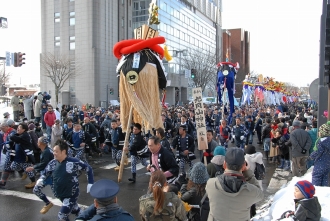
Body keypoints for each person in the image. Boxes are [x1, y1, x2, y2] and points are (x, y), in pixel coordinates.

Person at [35, 139, 94, 220]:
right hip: (60, 194)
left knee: (62, 216)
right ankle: (86, 217)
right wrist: (41, 179)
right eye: (53, 151)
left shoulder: (73, 162)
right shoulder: (53, 163)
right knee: (75, 210)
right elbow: (45, 173)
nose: (53, 153)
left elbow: (88, 168)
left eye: (56, 151)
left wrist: (90, 182)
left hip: (71, 195)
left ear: (63, 152)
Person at [206, 147, 264, 221]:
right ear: (243, 166)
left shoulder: (211, 184)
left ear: (224, 164)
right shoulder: (250, 191)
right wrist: (248, 173)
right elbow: (260, 194)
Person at [7, 123, 37, 189]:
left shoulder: (25, 135)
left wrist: (12, 135)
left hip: (25, 157)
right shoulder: (20, 134)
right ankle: (24, 172)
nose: (17, 128)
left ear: (24, 129)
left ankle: (33, 182)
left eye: (19, 127)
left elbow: (14, 138)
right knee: (13, 166)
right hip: (18, 156)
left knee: (28, 170)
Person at [30, 136, 54, 214]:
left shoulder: (46, 152)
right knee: (58, 193)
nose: (37, 143)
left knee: (36, 190)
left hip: (49, 175)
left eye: (38, 142)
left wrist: (33, 168)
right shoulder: (46, 150)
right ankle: (48, 203)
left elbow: (44, 164)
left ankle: (73, 208)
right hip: (49, 174)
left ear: (40, 143)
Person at [310, 121, 330, 186]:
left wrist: (311, 156)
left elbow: (318, 152)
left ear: (322, 133)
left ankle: (316, 192)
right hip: (327, 163)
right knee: (325, 179)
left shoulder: (322, 142)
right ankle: (324, 193)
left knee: (316, 178)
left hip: (320, 163)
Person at [0, 121, 16, 188]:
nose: (2, 130)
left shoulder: (12, 132)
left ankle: (3, 181)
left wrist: (5, 144)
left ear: (6, 127)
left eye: (3, 129)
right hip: (8, 151)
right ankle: (3, 181)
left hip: (13, 151)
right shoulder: (6, 132)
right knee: (7, 165)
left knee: (19, 164)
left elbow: (12, 142)